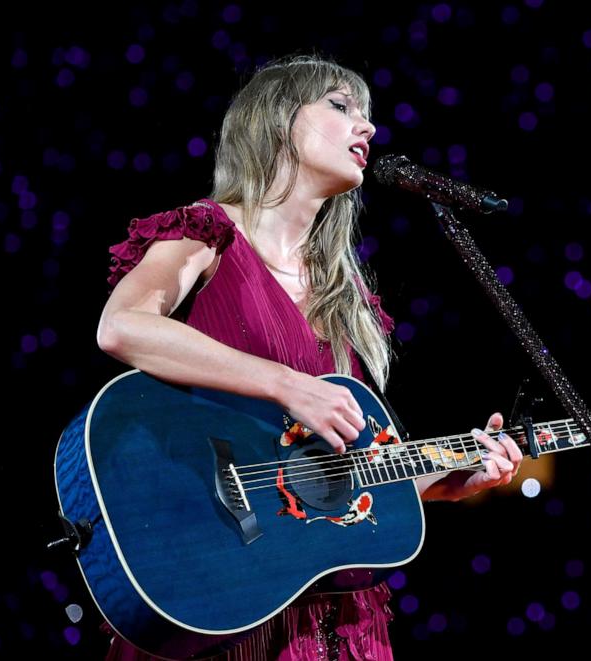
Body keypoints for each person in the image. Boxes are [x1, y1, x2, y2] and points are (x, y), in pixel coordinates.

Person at [95, 52, 523, 660]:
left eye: (368, 115)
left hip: (330, 611)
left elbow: (319, 476)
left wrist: (442, 479)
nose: (368, 128)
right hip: (222, 591)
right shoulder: (207, 232)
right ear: (276, 121)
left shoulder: (345, 293)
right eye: (340, 106)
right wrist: (286, 384)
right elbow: (123, 327)